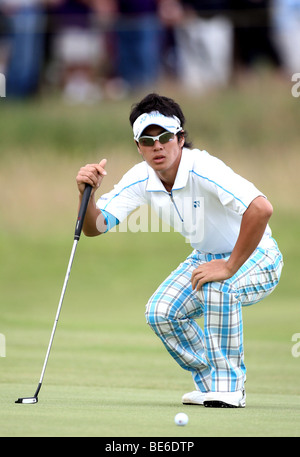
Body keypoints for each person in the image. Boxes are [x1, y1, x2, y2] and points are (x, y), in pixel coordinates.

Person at [76, 93, 283, 408]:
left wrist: (228, 265)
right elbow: (96, 226)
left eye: (165, 137)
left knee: (217, 284)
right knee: (162, 313)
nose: (157, 146)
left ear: (180, 138)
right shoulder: (141, 178)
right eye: (147, 140)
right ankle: (213, 382)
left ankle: (230, 389)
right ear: (138, 146)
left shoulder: (203, 167)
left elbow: (261, 209)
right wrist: (87, 195)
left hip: (259, 254)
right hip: (206, 257)